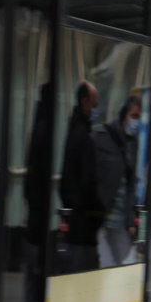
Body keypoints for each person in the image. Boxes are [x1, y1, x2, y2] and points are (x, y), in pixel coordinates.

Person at [58, 81, 106, 273]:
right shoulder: (84, 137)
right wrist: (99, 213)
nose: (95, 110)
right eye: (94, 105)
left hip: (74, 219)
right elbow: (87, 182)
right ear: (85, 102)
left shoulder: (73, 130)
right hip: (83, 225)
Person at [94, 96, 142, 268]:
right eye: (134, 116)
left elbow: (130, 184)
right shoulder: (102, 136)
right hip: (102, 215)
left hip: (120, 219)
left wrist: (130, 220)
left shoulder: (133, 144)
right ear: (124, 115)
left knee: (124, 266)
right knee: (107, 265)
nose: (136, 122)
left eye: (139, 118)